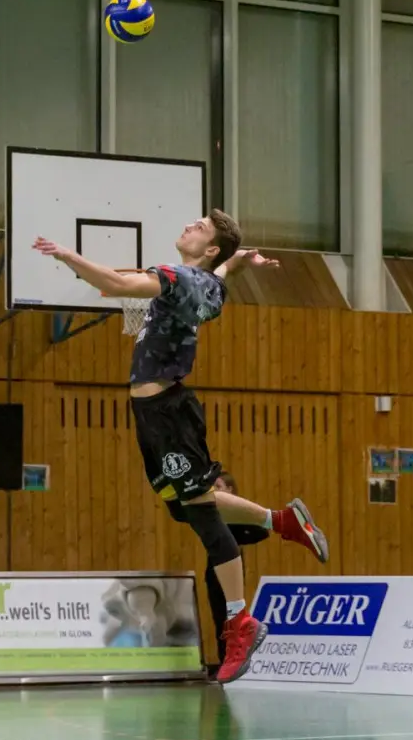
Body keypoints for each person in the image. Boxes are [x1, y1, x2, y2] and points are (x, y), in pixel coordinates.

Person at [35, 210, 276, 683]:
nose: (190, 225)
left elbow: (118, 284)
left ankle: (240, 620)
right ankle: (279, 521)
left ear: (209, 249)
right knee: (181, 508)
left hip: (166, 411)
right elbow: (222, 271)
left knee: (202, 513)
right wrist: (239, 261)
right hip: (156, 413)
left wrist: (68, 255)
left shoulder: (180, 279)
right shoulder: (211, 285)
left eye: (200, 227)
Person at [165, 471, 328, 678]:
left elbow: (256, 534)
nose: (216, 488)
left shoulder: (236, 522)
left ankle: (280, 520)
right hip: (215, 568)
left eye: (219, 486)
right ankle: (282, 520)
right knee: (180, 508)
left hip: (227, 563)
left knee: (195, 499)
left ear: (230, 489)